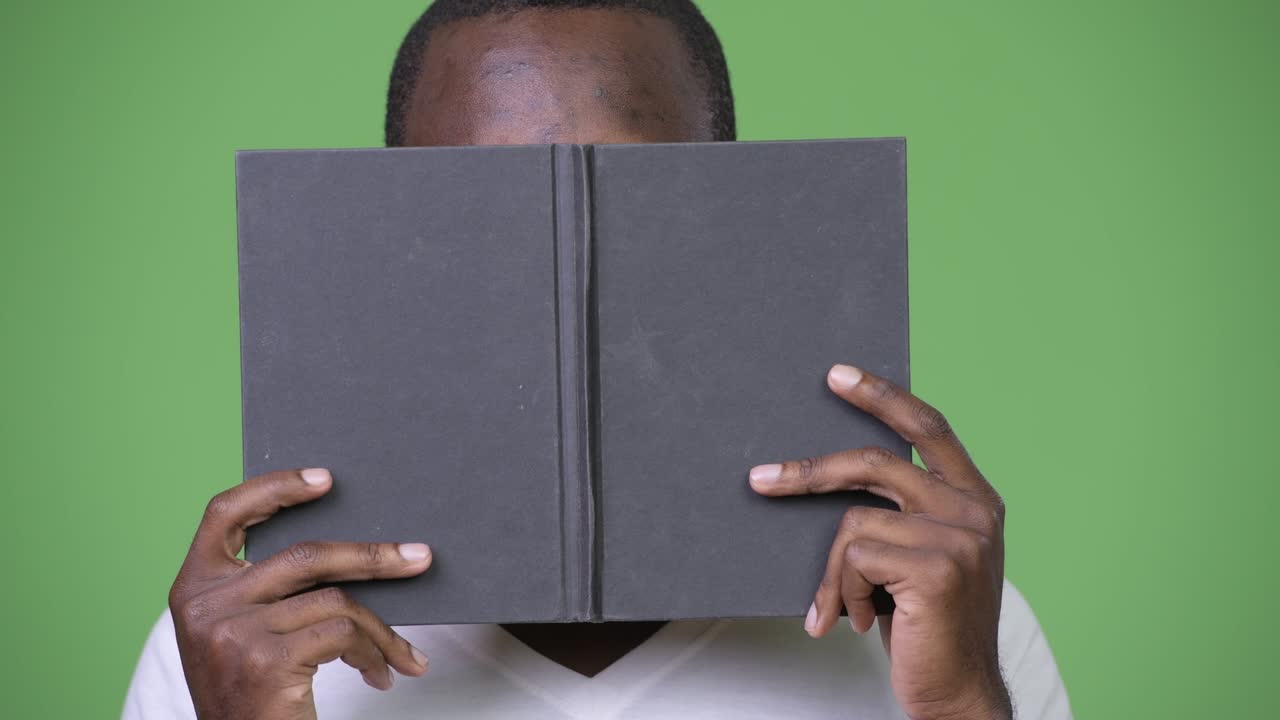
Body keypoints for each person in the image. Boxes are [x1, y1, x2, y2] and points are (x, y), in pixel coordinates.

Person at [124, 1, 1072, 718]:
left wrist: (963, 706)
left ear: (726, 213)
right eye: (475, 207)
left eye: (634, 198)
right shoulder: (230, 649)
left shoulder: (946, 624)